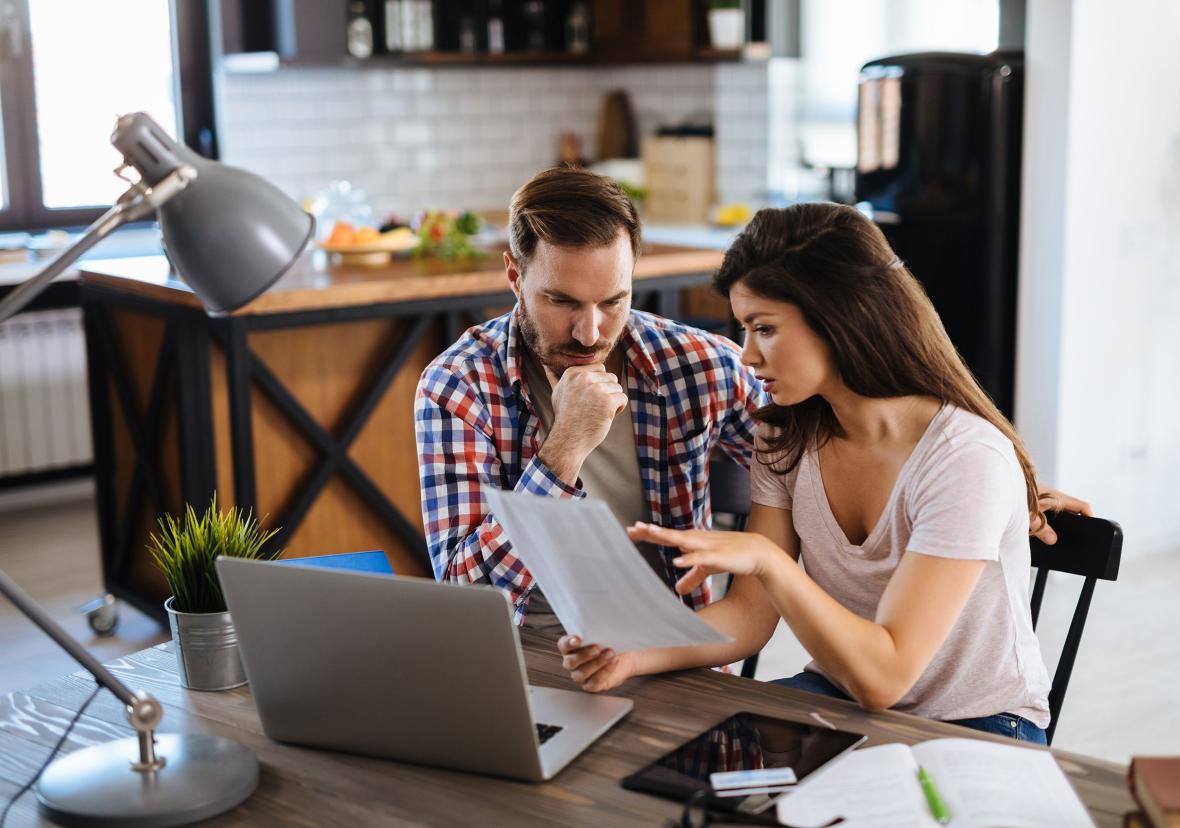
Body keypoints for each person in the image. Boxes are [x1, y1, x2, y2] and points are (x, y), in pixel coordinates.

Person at [557, 203, 1092, 744]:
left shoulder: (966, 459)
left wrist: (770, 563)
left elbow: (885, 677)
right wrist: (630, 652)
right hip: (837, 698)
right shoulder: (786, 435)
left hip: (977, 725)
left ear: (841, 316)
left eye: (764, 328)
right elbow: (748, 617)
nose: (746, 356)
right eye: (744, 329)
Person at [414, 167, 765, 627]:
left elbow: (810, 472)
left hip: (674, 655)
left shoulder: (698, 364)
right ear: (515, 276)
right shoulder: (458, 386)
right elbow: (468, 600)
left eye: (613, 301)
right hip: (528, 658)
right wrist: (563, 451)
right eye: (562, 302)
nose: (590, 333)